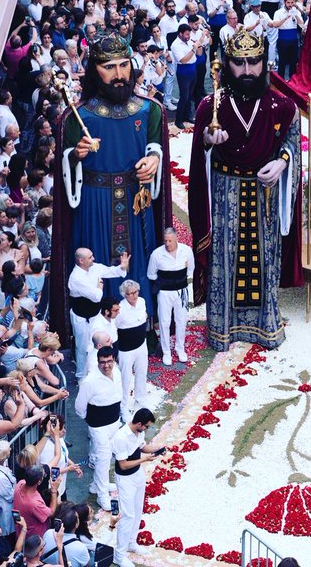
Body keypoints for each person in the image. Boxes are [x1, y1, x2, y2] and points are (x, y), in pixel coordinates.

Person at [56, 31, 172, 358]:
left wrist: (154, 160)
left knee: (137, 262)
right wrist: (75, 156)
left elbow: (155, 148)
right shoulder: (78, 116)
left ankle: (140, 328)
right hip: (95, 203)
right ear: (95, 70)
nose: (119, 74)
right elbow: (64, 169)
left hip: (136, 201)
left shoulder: (149, 111)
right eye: (110, 67)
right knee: (98, 266)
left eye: (124, 65)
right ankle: (100, 335)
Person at [188, 27, 302, 351]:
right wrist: (209, 142)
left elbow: (293, 141)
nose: (248, 70)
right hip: (226, 193)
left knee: (263, 258)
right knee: (226, 257)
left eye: (255, 61)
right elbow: (200, 153)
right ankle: (223, 328)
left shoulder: (282, 106)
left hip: (264, 195)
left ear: (265, 62)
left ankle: (264, 326)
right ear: (227, 64)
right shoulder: (211, 106)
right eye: (240, 63)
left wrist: (283, 161)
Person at [66, 248, 129, 380]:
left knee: (101, 343)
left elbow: (109, 271)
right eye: (90, 257)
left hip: (96, 316)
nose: (93, 259)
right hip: (82, 318)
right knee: (83, 348)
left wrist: (122, 267)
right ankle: (81, 377)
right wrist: (99, 287)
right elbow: (96, 296)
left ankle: (102, 371)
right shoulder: (76, 277)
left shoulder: (94, 267)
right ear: (81, 261)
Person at [74, 346, 123, 509]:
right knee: (102, 459)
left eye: (109, 361)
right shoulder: (90, 381)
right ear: (98, 362)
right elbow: (79, 407)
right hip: (98, 426)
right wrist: (91, 421)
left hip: (114, 422)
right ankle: (102, 496)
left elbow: (119, 393)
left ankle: (97, 484)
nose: (106, 365)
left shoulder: (117, 372)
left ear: (114, 360)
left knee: (109, 456)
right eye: (103, 362)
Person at [112, 408, 161, 567]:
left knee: (138, 508)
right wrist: (144, 459)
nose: (147, 429)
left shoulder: (139, 432)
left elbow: (142, 447)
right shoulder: (120, 437)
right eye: (146, 426)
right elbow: (123, 465)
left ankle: (132, 542)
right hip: (125, 478)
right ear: (139, 423)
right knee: (128, 515)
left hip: (137, 475)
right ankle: (119, 555)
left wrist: (158, 450)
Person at [146, 226, 193, 364]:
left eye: (170, 241)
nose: (167, 244)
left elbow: (190, 270)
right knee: (164, 322)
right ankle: (166, 352)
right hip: (165, 293)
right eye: (165, 241)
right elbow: (151, 274)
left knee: (181, 320)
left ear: (176, 238)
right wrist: (164, 283)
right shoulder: (156, 254)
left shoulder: (186, 251)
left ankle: (180, 349)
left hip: (181, 291)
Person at [114, 280, 149, 415]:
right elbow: (114, 327)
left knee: (141, 373)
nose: (134, 296)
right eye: (130, 293)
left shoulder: (142, 302)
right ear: (124, 295)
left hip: (141, 345)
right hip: (126, 349)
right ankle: (123, 407)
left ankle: (140, 400)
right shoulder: (120, 309)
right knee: (125, 378)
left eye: (136, 292)